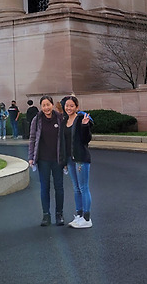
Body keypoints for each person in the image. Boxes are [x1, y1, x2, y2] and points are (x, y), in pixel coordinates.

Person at [28, 95, 66, 226]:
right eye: (43, 105)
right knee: (44, 188)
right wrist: (31, 157)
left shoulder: (60, 118)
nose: (46, 108)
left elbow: (65, 138)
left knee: (59, 188)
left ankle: (59, 214)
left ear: (52, 105)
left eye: (48, 105)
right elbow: (32, 139)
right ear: (41, 107)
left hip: (57, 159)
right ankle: (46, 215)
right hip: (43, 159)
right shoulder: (37, 119)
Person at [62, 95, 93, 228]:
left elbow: (86, 140)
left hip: (81, 158)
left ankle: (87, 218)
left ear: (77, 107)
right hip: (70, 159)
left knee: (83, 187)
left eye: (71, 106)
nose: (69, 108)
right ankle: (79, 215)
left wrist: (85, 126)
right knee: (76, 188)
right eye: (67, 105)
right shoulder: (64, 121)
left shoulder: (81, 119)